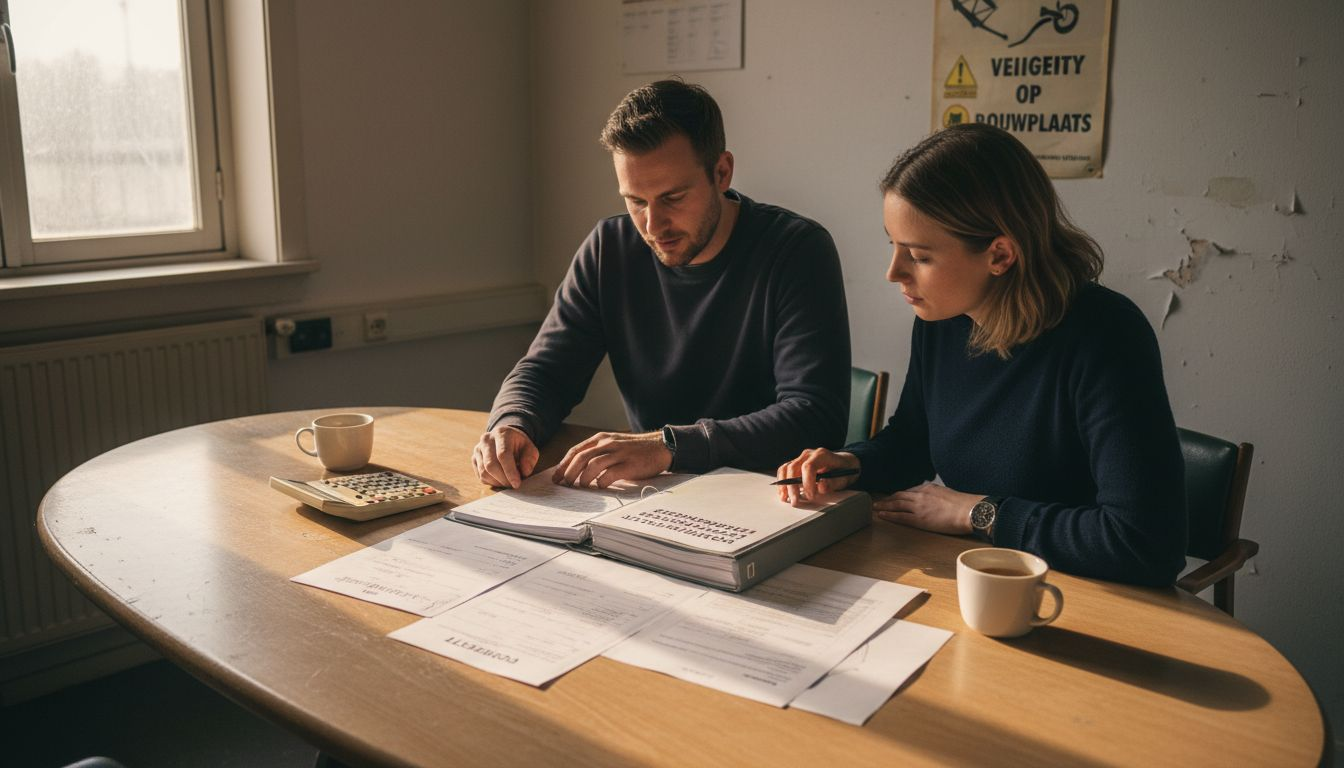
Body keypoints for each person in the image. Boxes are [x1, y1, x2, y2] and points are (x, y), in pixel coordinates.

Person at [776, 123, 1187, 587]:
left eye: (918, 255)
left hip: (1086, 592)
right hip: (988, 576)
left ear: (1000, 255)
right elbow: (914, 438)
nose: (894, 272)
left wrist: (977, 512)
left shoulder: (1107, 336)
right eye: (894, 245)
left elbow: (1145, 543)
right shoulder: (943, 321)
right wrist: (853, 465)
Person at [473, 80, 850, 491]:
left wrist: (669, 446)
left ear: (721, 172)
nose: (652, 227)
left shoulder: (796, 250)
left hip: (767, 494)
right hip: (652, 494)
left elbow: (815, 417)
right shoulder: (609, 249)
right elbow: (547, 371)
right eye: (635, 200)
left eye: (672, 198)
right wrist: (512, 422)